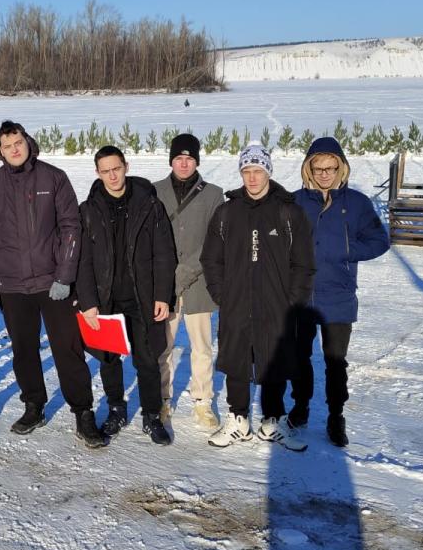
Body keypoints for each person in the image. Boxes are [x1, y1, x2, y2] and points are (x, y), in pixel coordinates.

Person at [0, 120, 106, 448]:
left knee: (67, 349)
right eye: (7, 146)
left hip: (52, 283)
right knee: (24, 351)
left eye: (18, 142)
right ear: (0, 152)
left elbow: (72, 227)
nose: (14, 149)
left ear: (28, 142)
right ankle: (34, 405)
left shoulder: (53, 178)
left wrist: (64, 276)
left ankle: (83, 412)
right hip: (12, 286)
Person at [201, 143, 315, 452]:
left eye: (258, 171)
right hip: (236, 302)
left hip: (276, 305)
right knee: (237, 361)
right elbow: (211, 259)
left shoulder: (288, 212)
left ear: (268, 172)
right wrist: (221, 293)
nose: (252, 178)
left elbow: (303, 264)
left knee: (274, 361)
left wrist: (293, 302)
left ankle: (272, 421)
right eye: (246, 171)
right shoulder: (227, 212)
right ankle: (238, 419)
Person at [288, 136, 390, 446]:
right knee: (299, 356)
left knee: (335, 361)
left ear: (341, 168)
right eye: (318, 168)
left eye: (330, 168)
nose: (324, 174)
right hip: (301, 294)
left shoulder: (356, 203)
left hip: (338, 293)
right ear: (309, 168)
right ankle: (301, 405)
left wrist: (347, 249)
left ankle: (335, 415)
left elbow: (379, 241)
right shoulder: (294, 201)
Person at [77, 146, 177, 445]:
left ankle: (151, 414)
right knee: (109, 359)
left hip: (141, 296)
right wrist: (88, 302)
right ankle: (116, 408)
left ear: (126, 166)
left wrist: (162, 295)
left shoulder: (149, 205)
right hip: (105, 298)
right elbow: (83, 260)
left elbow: (164, 253)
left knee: (147, 358)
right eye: (105, 170)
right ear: (97, 173)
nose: (112, 175)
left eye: (116, 168)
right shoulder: (88, 210)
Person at [154, 133, 225, 432]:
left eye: (190, 158)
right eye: (179, 158)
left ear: (197, 161)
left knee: (202, 347)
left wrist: (187, 270)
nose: (184, 164)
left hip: (199, 284)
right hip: (163, 285)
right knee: (163, 346)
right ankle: (162, 399)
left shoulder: (213, 194)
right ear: (171, 160)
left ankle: (202, 402)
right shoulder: (154, 191)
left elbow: (215, 239)